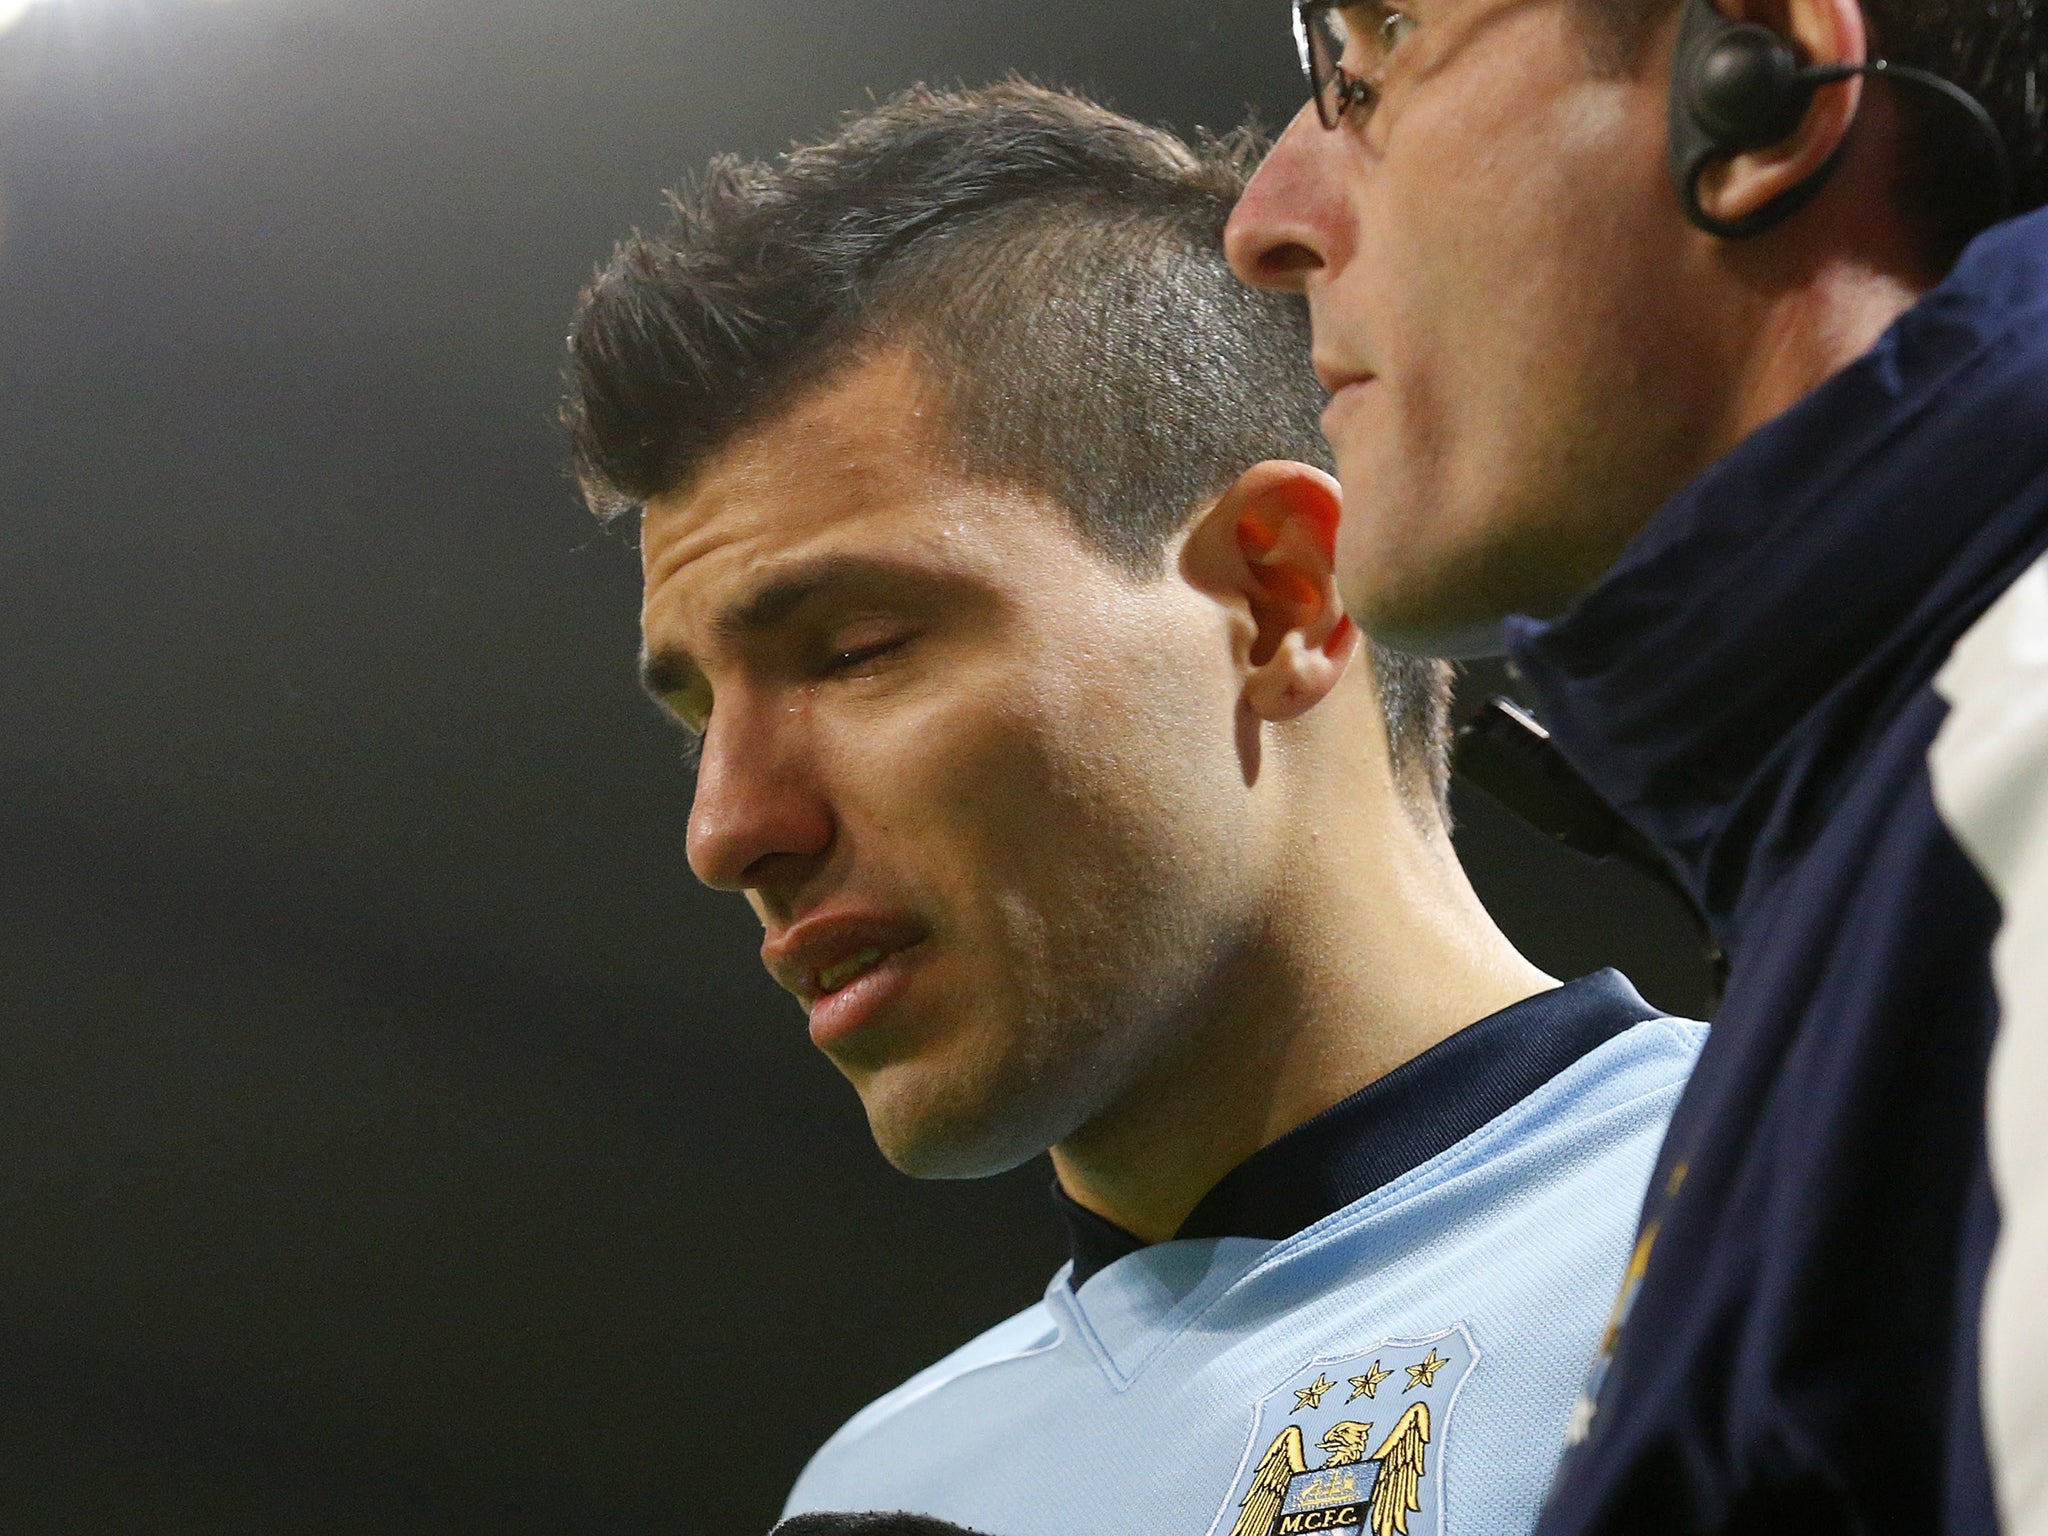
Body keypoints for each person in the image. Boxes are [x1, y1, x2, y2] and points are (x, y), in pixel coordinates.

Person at [562, 82, 1704, 1536]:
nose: (728, 830)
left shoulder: (1882, 1207)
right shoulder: (875, 1492)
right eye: (697, 723)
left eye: (853, 651)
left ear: (1280, 600)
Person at [1225, 0, 2048, 1531]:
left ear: (1758, 76)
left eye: (1377, 48)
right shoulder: (1894, 822)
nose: (1263, 221)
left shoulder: (2017, 780)